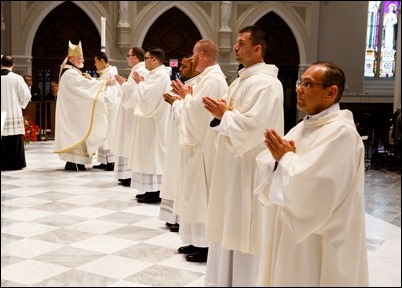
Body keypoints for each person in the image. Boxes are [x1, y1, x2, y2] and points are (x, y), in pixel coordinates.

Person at [254, 61, 369, 286]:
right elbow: (274, 163)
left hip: (320, 239)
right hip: (291, 232)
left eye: (308, 84)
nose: (298, 89)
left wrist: (285, 158)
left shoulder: (342, 133)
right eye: (300, 82)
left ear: (331, 91)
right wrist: (277, 160)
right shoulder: (303, 127)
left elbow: (320, 188)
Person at [201, 25, 284, 286]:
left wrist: (224, 115)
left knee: (245, 226)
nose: (235, 48)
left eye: (241, 43)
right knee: (227, 221)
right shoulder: (239, 80)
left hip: (249, 167)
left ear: (257, 49)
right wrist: (222, 115)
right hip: (231, 165)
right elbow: (228, 117)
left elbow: (256, 127)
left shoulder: (268, 84)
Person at [168, 39, 229, 263]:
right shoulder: (206, 79)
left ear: (202, 55)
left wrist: (183, 99)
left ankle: (206, 245)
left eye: (194, 54)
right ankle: (196, 240)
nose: (192, 58)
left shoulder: (213, 80)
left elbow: (197, 112)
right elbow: (195, 105)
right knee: (194, 196)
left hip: (204, 147)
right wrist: (186, 97)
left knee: (202, 197)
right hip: (198, 145)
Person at [54, 41, 114, 171]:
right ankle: (74, 162)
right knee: (76, 133)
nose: (82, 60)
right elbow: (83, 87)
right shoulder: (70, 73)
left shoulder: (73, 72)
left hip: (75, 110)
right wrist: (104, 83)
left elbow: (83, 85)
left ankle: (77, 162)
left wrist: (92, 81)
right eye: (79, 58)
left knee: (79, 132)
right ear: (71, 59)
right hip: (72, 112)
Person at [159, 55, 200, 233]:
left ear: (194, 66)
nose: (181, 70)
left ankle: (180, 218)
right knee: (174, 175)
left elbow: (191, 113)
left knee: (181, 177)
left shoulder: (197, 84)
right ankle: (174, 216)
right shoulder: (186, 84)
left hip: (187, 139)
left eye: (184, 67)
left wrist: (177, 101)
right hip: (177, 136)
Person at [127, 48, 171, 203]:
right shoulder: (154, 75)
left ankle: (155, 191)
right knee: (147, 156)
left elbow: (149, 97)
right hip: (148, 123)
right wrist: (142, 84)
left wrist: (140, 84)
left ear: (154, 59)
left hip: (154, 124)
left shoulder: (161, 76)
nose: (144, 61)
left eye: (146, 58)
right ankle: (148, 189)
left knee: (153, 156)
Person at [113, 47, 149, 187]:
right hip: (128, 114)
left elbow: (135, 94)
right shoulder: (137, 70)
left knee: (129, 142)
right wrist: (125, 84)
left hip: (132, 115)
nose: (126, 58)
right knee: (126, 142)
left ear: (135, 57)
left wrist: (123, 84)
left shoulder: (140, 71)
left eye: (128, 56)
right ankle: (125, 174)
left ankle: (129, 175)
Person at [1, 55, 32, 170]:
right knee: (14, 138)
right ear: (13, 65)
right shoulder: (17, 78)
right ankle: (15, 163)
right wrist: (20, 105)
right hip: (13, 112)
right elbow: (27, 95)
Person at [92, 52, 119, 172]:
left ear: (102, 61)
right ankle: (103, 160)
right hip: (103, 107)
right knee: (103, 133)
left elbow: (112, 87)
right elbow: (102, 85)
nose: (95, 65)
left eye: (96, 62)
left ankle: (111, 162)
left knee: (109, 134)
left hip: (110, 108)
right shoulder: (105, 73)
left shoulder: (112, 71)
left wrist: (104, 99)